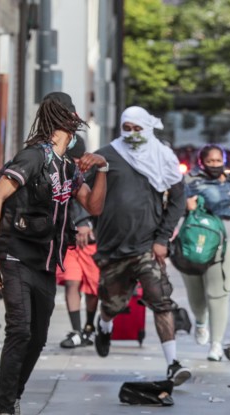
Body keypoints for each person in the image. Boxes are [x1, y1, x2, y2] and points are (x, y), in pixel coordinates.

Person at [0, 91, 108, 415]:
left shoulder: (68, 166)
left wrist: (103, 169)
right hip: (16, 254)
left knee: (36, 338)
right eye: (73, 114)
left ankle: (11, 400)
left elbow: (93, 208)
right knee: (19, 330)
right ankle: (4, 413)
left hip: (48, 260)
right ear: (65, 117)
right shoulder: (34, 157)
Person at [89, 106, 192, 386]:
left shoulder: (162, 158)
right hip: (112, 247)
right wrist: (83, 223)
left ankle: (173, 363)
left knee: (160, 300)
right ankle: (104, 325)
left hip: (148, 246)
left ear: (147, 128)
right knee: (113, 304)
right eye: (128, 129)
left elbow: (178, 200)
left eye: (138, 129)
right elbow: (82, 194)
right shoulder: (106, 156)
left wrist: (162, 239)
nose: (133, 134)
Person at [180, 144, 230, 361]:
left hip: (229, 240)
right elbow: (177, 202)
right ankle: (200, 320)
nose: (215, 165)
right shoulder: (191, 181)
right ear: (201, 162)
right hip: (200, 240)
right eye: (210, 161)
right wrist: (187, 206)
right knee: (196, 294)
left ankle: (216, 344)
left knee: (219, 292)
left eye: (218, 160)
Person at [57, 135, 100, 348]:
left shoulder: (93, 174)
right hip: (70, 240)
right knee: (71, 282)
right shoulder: (57, 170)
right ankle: (75, 330)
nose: (73, 164)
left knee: (93, 288)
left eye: (77, 160)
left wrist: (87, 223)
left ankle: (89, 328)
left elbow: (95, 202)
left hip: (93, 241)